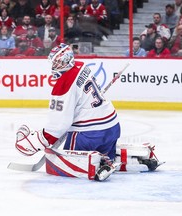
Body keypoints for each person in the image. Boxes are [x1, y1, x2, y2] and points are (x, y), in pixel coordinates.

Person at [14, 43, 121, 180]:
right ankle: (110, 158)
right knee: (104, 152)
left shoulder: (63, 84)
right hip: (113, 128)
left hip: (90, 135)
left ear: (66, 60)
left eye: (58, 63)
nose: (54, 67)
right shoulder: (81, 65)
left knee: (57, 165)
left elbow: (57, 127)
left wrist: (30, 144)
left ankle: (99, 164)